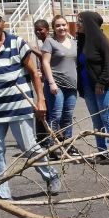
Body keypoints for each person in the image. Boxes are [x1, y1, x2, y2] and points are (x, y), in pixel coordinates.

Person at [0, 5, 61, 200]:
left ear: (3, 23)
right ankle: (1, 193)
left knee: (29, 148)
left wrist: (41, 100)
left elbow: (34, 73)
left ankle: (51, 176)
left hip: (19, 106)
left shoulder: (17, 43)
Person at [76, 11, 109, 164]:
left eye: (80, 21)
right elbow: (80, 65)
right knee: (96, 122)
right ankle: (102, 152)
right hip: (88, 87)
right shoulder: (81, 41)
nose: (77, 24)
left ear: (89, 23)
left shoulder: (102, 40)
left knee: (107, 119)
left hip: (102, 87)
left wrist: (101, 83)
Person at [39, 15, 78, 155]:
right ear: (53, 28)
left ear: (67, 25)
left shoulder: (74, 42)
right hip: (56, 85)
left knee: (68, 116)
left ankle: (68, 144)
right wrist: (51, 83)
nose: (61, 28)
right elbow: (45, 63)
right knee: (55, 115)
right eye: (58, 26)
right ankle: (51, 147)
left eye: (63, 25)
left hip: (72, 85)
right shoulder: (50, 42)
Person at [30, 19, 51, 146]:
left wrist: (32, 49)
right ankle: (42, 138)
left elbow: (45, 57)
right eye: (36, 29)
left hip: (53, 83)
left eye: (41, 29)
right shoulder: (43, 43)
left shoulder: (50, 41)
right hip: (45, 81)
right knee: (40, 109)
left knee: (46, 111)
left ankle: (47, 139)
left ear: (47, 30)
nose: (38, 32)